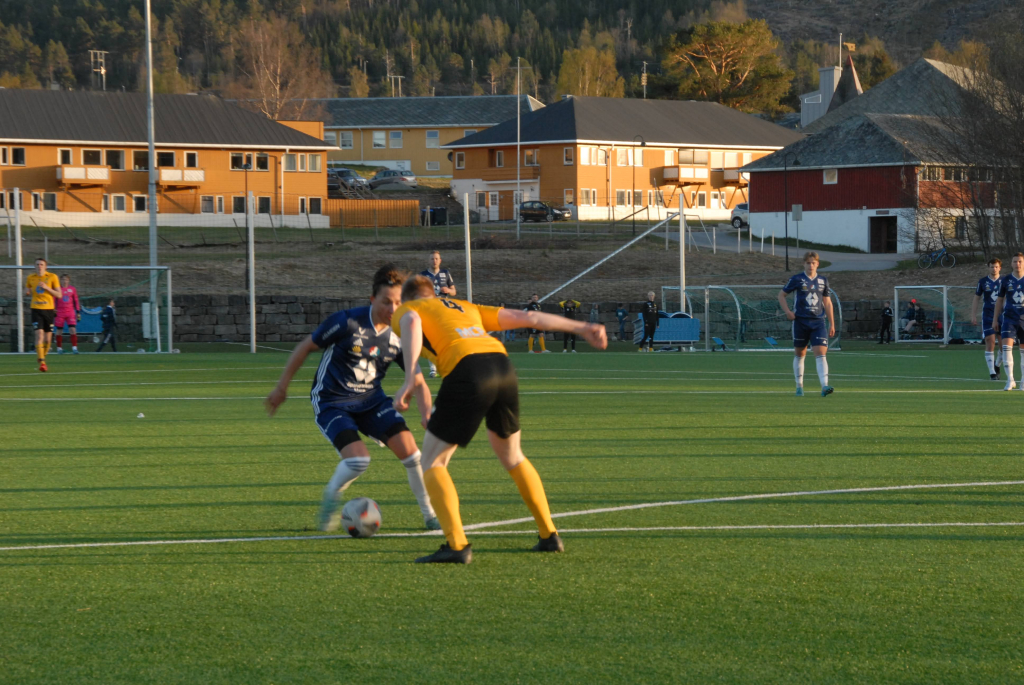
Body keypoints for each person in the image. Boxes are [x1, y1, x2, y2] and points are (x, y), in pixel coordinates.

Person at [392, 275, 607, 564]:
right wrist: (583, 327)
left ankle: (457, 546)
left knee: (433, 462)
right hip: (502, 367)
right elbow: (528, 317)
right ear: (433, 293)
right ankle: (549, 535)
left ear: (407, 298)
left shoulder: (408, 309)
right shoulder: (465, 306)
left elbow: (411, 323)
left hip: (467, 370)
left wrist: (409, 378)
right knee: (513, 456)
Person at [265, 265, 440, 530]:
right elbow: (305, 347)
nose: (393, 309)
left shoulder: (402, 333)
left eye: (398, 303)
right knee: (359, 461)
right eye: (386, 302)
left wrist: (427, 414)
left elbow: (418, 379)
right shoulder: (347, 322)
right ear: (372, 299)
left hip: (372, 401)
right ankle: (331, 495)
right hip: (332, 401)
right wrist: (281, 387)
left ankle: (430, 516)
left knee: (413, 455)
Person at [778, 251, 835, 397]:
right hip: (800, 322)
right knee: (800, 353)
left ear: (818, 264)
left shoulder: (823, 281)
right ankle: (799, 386)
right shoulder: (797, 279)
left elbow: (827, 303)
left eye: (813, 263)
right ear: (804, 264)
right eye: (808, 263)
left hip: (818, 322)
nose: (811, 265)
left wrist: (832, 323)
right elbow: (781, 295)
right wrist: (788, 311)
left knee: (821, 353)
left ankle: (824, 386)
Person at [420, 250, 456, 377]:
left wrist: (448, 290)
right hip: (429, 310)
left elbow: (454, 291)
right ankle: (433, 369)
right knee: (430, 339)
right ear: (428, 261)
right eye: (432, 259)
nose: (434, 261)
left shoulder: (445, 273)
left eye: (436, 259)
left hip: (444, 310)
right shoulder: (423, 275)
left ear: (440, 261)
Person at [992, 253, 1024, 391]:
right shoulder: (1006, 280)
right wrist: (995, 319)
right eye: (1015, 261)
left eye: (1020, 261)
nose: (1018, 264)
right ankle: (1010, 380)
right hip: (1009, 319)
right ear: (1011, 264)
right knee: (1006, 348)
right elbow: (999, 300)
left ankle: (1023, 381)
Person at [25, 257, 61, 372]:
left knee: (48, 341)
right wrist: (27, 292)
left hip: (49, 310)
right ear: (34, 266)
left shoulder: (52, 277)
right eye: (37, 264)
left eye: (41, 264)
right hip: (36, 309)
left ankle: (42, 356)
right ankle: (42, 362)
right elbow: (27, 290)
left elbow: (59, 295)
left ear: (45, 266)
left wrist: (46, 288)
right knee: (39, 335)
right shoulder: (30, 278)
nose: (39, 266)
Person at [972, 258, 1003, 379]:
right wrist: (973, 315)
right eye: (991, 267)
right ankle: (992, 372)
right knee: (990, 340)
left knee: (1004, 346)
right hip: (988, 315)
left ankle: (997, 365)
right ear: (988, 268)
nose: (994, 269)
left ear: (1000, 268)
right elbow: (976, 298)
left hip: (1002, 315)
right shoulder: (983, 281)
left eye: (996, 267)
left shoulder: (1005, 281)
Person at [54, 274, 82, 354]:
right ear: (60, 280)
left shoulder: (72, 289)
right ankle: (59, 348)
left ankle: (74, 348)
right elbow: (53, 300)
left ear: (68, 281)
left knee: (72, 329)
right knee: (59, 330)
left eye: (66, 279)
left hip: (70, 312)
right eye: (63, 279)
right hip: (60, 312)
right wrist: (53, 309)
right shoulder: (57, 289)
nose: (64, 281)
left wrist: (78, 312)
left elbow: (76, 300)